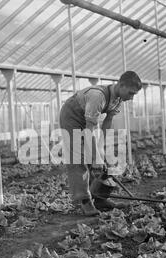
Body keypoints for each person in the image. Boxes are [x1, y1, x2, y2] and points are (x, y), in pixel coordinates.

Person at [59, 71, 142, 216]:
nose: (131, 97)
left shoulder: (118, 100)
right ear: (121, 85)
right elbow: (89, 131)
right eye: (130, 93)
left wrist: (100, 148)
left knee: (98, 159)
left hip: (86, 120)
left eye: (134, 94)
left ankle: (99, 198)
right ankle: (85, 201)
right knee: (78, 158)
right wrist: (96, 157)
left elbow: (107, 121)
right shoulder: (98, 96)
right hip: (72, 115)